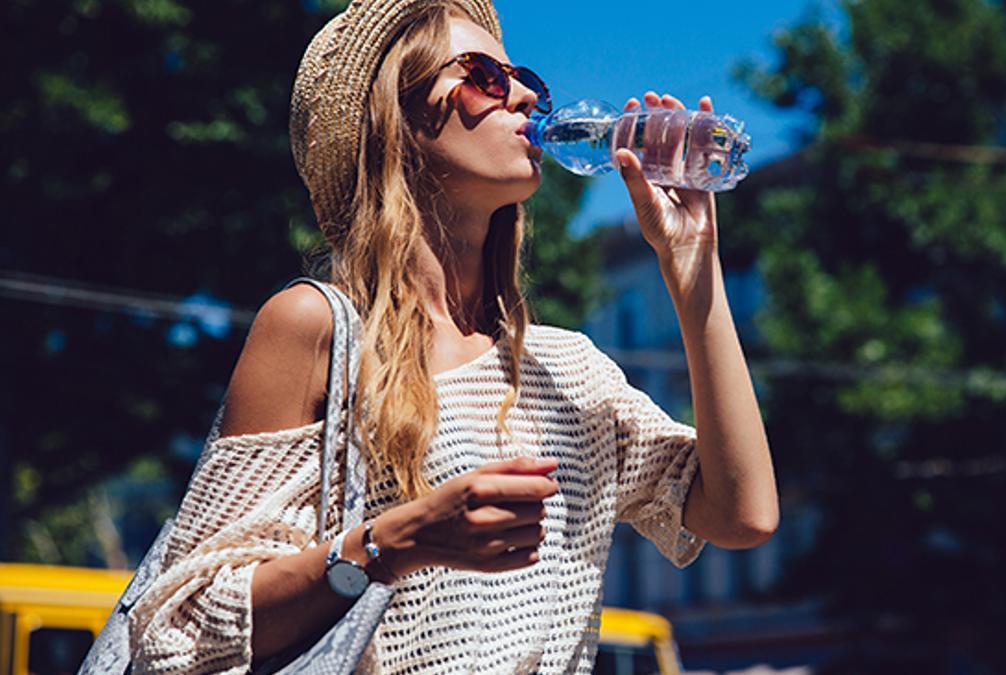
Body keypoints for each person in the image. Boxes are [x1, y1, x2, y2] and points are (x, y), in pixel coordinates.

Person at [127, 0, 778, 672]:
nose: (526, 94)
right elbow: (182, 625)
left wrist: (693, 270)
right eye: (484, 77)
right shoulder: (315, 328)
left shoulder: (568, 368)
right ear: (397, 123)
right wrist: (401, 539)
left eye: (526, 79)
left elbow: (741, 514)